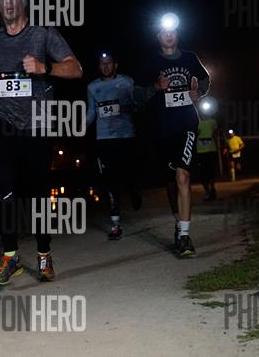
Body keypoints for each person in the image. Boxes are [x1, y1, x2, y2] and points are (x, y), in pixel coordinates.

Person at [0, 0, 83, 285]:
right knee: (1, 184)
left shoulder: (43, 34)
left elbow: (76, 68)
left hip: (38, 122)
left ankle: (43, 253)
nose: (8, 2)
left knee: (37, 191)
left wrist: (44, 67)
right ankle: (10, 255)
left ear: (23, 1)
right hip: (4, 122)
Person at [136, 13, 210, 257]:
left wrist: (199, 92)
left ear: (177, 35)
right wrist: (156, 87)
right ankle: (179, 225)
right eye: (164, 32)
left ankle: (186, 236)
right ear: (158, 36)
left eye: (173, 31)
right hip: (161, 129)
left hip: (187, 124)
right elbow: (137, 95)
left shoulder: (189, 58)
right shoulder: (150, 62)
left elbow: (205, 80)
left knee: (183, 176)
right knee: (171, 181)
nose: (169, 35)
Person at [86, 52, 140, 241]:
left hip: (126, 136)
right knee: (109, 181)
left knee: (129, 174)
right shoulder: (92, 87)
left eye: (108, 63)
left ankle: (134, 190)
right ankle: (116, 224)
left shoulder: (127, 82)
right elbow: (91, 112)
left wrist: (129, 108)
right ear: (98, 66)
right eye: (102, 64)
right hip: (104, 139)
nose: (105, 66)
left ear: (115, 65)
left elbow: (138, 105)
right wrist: (80, 127)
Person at [196, 111, 219, 201]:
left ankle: (212, 188)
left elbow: (215, 134)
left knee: (212, 171)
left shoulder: (212, 122)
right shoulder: (196, 123)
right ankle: (207, 191)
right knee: (202, 173)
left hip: (211, 150)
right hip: (200, 151)